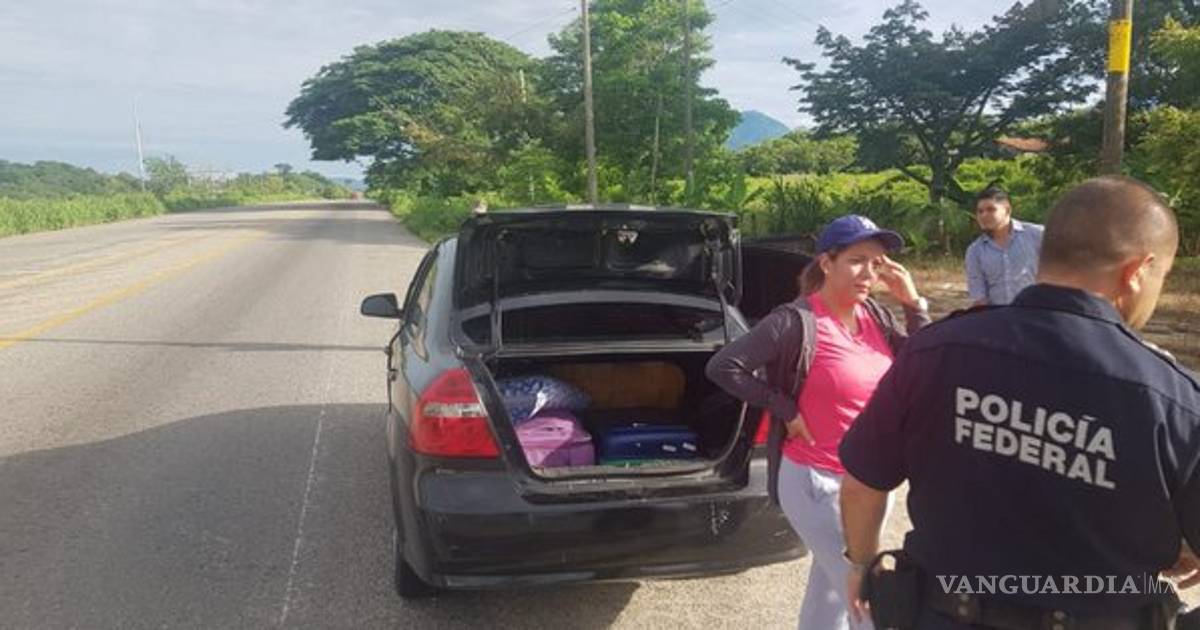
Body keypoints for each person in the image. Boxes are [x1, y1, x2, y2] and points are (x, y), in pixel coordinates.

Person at [839, 176, 1200, 629]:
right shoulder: (1173, 400)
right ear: (1138, 271)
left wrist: (861, 564)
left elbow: (862, 483)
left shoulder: (935, 352)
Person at [706, 214, 931, 630]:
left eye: (877, 263)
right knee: (867, 599)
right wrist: (785, 408)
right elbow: (724, 366)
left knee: (829, 592)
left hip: (867, 485)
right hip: (817, 483)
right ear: (827, 263)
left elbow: (921, 363)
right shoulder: (794, 321)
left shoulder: (874, 315)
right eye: (857, 261)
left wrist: (913, 304)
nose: (869, 273)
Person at [965, 185, 1044, 306]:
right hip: (998, 315)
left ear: (1007, 210)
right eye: (980, 211)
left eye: (991, 209)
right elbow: (979, 298)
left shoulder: (1037, 235)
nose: (984, 215)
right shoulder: (975, 251)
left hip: (1036, 311)